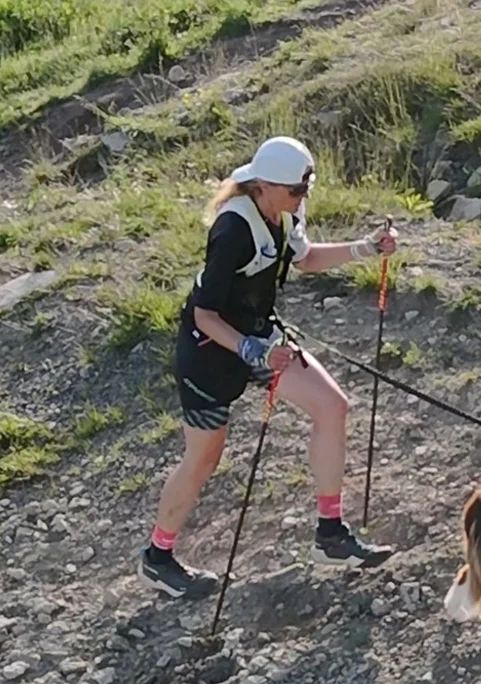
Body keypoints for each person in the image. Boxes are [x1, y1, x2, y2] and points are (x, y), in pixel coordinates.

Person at [138, 135, 400, 599]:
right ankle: (158, 559)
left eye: (307, 188)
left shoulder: (285, 211)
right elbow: (204, 314)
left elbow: (305, 258)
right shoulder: (233, 229)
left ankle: (331, 535)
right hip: (209, 350)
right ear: (263, 185)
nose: (304, 198)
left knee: (332, 407)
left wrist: (365, 248)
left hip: (258, 337)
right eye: (297, 191)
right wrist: (253, 352)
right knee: (203, 459)